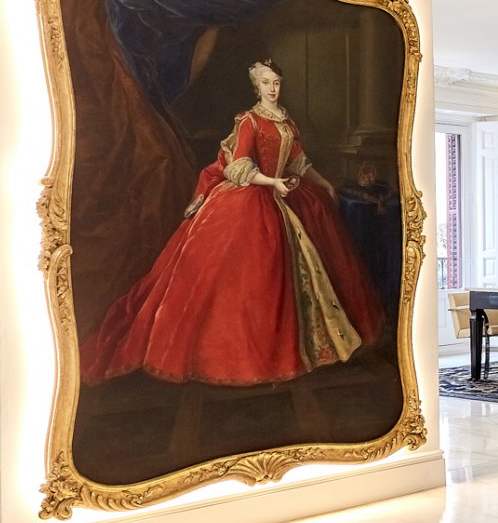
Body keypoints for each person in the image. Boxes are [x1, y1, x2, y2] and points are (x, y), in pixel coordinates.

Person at [81, 58, 384, 385]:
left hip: (286, 193)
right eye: (266, 83)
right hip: (253, 195)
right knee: (254, 269)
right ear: (257, 86)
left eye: (276, 83)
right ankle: (253, 356)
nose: (272, 89)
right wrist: (272, 182)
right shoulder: (249, 121)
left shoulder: (287, 122)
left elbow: (297, 161)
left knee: (315, 240)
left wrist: (323, 183)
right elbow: (239, 165)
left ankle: (310, 346)